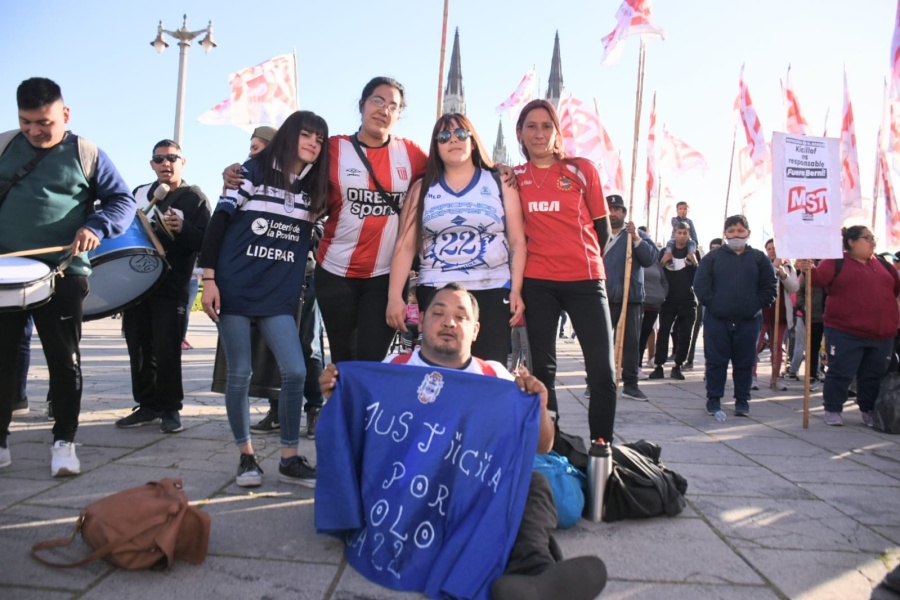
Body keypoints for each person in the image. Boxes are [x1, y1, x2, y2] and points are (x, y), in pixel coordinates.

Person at [318, 283, 607, 600]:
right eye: (438, 313)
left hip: (467, 496)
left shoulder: (494, 376)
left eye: (460, 316)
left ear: (475, 330)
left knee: (533, 484)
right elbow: (353, 443)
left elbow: (543, 446)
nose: (448, 322)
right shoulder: (392, 370)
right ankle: (526, 578)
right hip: (403, 499)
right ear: (423, 319)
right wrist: (336, 397)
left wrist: (537, 405)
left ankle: (533, 578)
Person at [0, 77, 135, 474]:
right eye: (26, 122)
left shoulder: (87, 152)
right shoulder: (6, 145)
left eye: (44, 122)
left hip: (62, 272)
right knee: (2, 362)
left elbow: (121, 201)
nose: (35, 130)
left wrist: (97, 225)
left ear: (65, 114)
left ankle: (64, 441)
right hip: (6, 275)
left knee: (64, 361)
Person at [200, 110, 329, 487]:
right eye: (306, 136)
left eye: (319, 140)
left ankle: (289, 458)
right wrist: (209, 279)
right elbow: (218, 224)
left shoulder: (315, 188)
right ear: (289, 136)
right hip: (235, 288)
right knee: (239, 373)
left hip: (278, 297)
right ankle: (246, 457)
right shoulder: (251, 171)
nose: (313, 144)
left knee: (296, 371)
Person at [513, 99, 616, 444]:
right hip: (539, 283)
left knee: (602, 372)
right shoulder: (514, 178)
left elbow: (603, 231)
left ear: (557, 132)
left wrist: (582, 259)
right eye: (531, 126)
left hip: (586, 280)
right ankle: (552, 446)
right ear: (520, 134)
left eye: (546, 126)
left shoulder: (581, 169)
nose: (539, 134)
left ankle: (602, 449)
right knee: (544, 371)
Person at [386, 113, 526, 365]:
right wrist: (395, 297)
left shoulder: (499, 181)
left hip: (492, 288)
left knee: (488, 372)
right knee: (439, 371)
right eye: (444, 136)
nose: (453, 140)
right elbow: (405, 246)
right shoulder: (422, 188)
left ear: (473, 141)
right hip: (437, 287)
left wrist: (516, 289)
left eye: (461, 134)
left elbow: (516, 240)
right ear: (436, 147)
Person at [315, 77, 428, 363]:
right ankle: (343, 407)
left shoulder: (410, 153)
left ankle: (366, 409)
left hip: (385, 275)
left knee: (370, 359)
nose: (384, 110)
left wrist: (498, 170)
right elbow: (286, 157)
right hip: (334, 271)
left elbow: (455, 165)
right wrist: (241, 170)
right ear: (362, 104)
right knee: (343, 358)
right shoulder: (333, 148)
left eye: (394, 106)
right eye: (378, 101)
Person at [117, 139, 210, 434]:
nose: (165, 163)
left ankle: (170, 408)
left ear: (183, 162)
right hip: (137, 283)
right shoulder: (140, 193)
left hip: (172, 284)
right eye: (159, 159)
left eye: (172, 157)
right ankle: (147, 405)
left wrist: (182, 229)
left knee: (167, 346)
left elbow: (206, 242)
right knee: (138, 343)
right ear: (151, 164)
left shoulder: (194, 198)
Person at [809, 226, 900, 427]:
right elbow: (816, 279)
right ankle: (833, 408)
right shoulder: (835, 261)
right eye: (867, 238)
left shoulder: (885, 266)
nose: (872, 242)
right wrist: (806, 268)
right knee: (841, 372)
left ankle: (869, 410)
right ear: (851, 241)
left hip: (881, 334)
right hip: (845, 332)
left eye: (873, 238)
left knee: (873, 375)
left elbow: (895, 290)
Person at [693, 215, 776, 417]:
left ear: (748, 233)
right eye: (731, 232)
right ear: (725, 233)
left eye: (740, 231)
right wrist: (714, 303)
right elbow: (700, 285)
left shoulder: (759, 258)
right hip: (717, 320)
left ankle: (742, 400)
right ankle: (713, 400)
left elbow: (770, 287)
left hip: (748, 320)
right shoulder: (712, 258)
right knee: (715, 361)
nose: (736, 235)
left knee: (745, 362)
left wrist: (756, 304)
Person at [603, 194, 658, 400]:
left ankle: (631, 384)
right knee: (600, 343)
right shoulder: (598, 233)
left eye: (617, 209)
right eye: (609, 208)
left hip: (631, 296)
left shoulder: (636, 234)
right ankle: (596, 382)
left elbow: (650, 259)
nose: (613, 213)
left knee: (631, 345)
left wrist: (636, 238)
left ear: (624, 213)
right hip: (604, 296)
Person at [650, 222, 698, 381]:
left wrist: (694, 262)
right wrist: (663, 261)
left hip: (687, 299)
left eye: (685, 233)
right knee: (663, 332)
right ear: (674, 233)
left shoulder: (694, 252)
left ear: (689, 234)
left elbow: (700, 276)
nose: (682, 236)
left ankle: (678, 365)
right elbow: (656, 272)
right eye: (679, 232)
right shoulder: (665, 252)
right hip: (668, 299)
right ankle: (658, 365)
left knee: (685, 334)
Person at [753, 239, 798, 391]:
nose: (772, 250)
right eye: (769, 248)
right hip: (762, 312)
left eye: (775, 248)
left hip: (781, 312)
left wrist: (783, 274)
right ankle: (751, 376)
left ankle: (775, 378)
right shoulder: (760, 264)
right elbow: (758, 283)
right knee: (755, 345)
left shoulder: (787, 266)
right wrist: (773, 267)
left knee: (777, 347)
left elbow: (794, 287)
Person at [787, 259, 825, 385]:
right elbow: (799, 293)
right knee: (811, 347)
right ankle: (810, 374)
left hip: (826, 316)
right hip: (809, 316)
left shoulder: (826, 273)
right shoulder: (805, 275)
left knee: (821, 347)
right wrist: (804, 307)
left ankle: (818, 371)